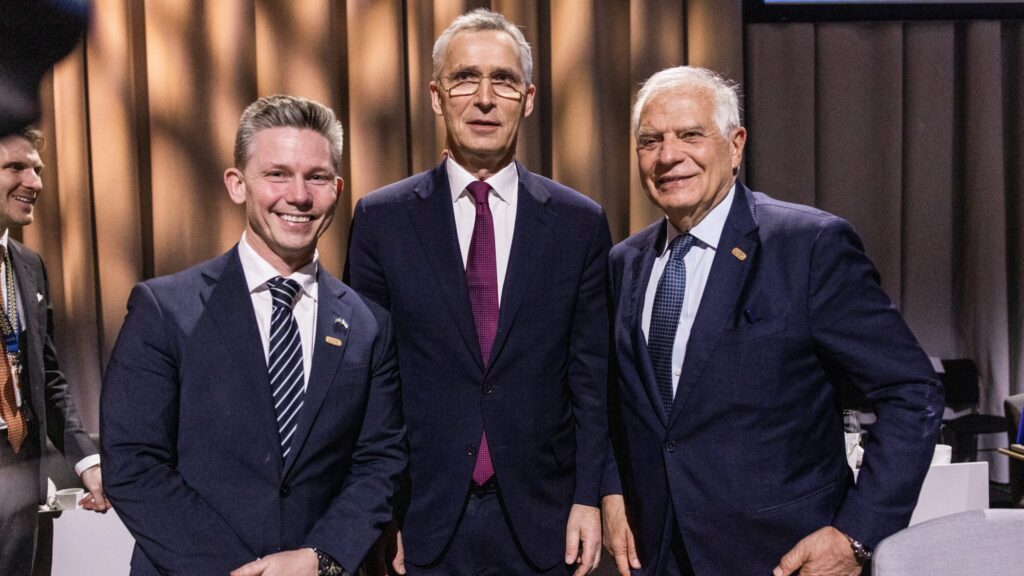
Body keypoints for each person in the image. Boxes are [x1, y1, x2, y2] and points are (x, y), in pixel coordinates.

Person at [601, 66, 944, 576]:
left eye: (691, 134)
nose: (669, 155)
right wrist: (611, 489)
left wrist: (856, 536)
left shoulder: (809, 246)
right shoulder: (624, 263)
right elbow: (612, 401)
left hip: (785, 560)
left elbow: (912, 392)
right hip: (655, 556)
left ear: (735, 145)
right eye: (651, 141)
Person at [345, 9, 611, 576]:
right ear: (438, 97)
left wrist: (589, 496)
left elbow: (591, 377)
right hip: (417, 516)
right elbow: (368, 381)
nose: (485, 98)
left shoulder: (579, 223)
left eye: (505, 81)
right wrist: (374, 508)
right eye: (465, 78)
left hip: (545, 519)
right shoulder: (380, 220)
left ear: (530, 98)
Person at [101, 95, 406, 576]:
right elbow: (134, 464)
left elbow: (379, 463)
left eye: (317, 177)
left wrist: (320, 558)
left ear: (338, 189)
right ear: (237, 184)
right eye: (277, 174)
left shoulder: (369, 325)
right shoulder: (164, 309)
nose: (299, 195)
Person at [0, 128, 108, 575]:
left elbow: (47, 378)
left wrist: (88, 462)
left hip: (22, 472)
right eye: (16, 168)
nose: (35, 183)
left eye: (38, 171)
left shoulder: (28, 266)